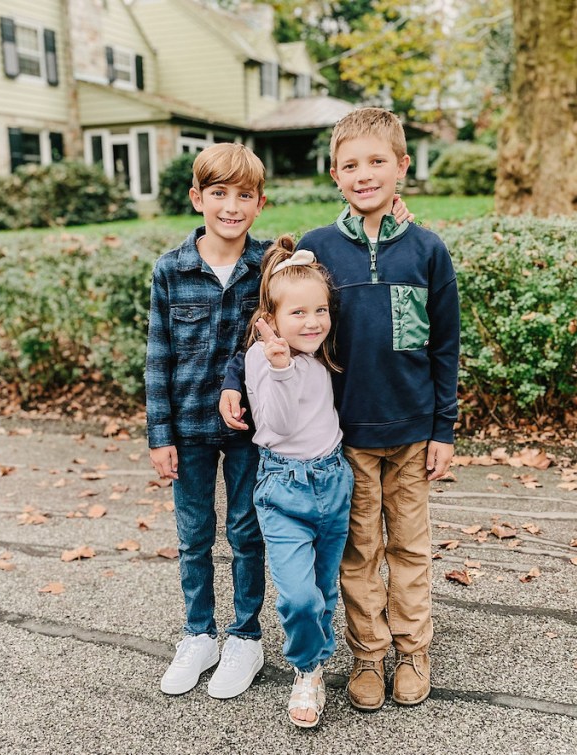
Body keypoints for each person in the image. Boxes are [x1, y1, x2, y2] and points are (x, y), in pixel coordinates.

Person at [220, 107, 461, 711]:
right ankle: (367, 656)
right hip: (344, 438)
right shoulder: (318, 248)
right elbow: (269, 317)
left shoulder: (427, 250)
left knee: (409, 548)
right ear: (334, 174)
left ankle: (413, 652)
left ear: (402, 167)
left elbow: (445, 346)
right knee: (359, 554)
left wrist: (444, 427)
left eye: (378, 161)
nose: (365, 174)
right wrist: (234, 377)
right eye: (351, 164)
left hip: (410, 432)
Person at [146, 142, 269, 699]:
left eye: (244, 195)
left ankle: (245, 636)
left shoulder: (267, 266)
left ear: (259, 203)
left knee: (246, 532)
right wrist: (159, 434)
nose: (231, 206)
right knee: (194, 536)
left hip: (250, 428)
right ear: (198, 198)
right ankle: (199, 634)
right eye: (218, 193)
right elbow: (158, 357)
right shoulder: (171, 270)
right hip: (188, 428)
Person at [243, 235, 353, 728]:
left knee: (324, 588)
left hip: (333, 482)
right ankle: (306, 665)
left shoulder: (322, 353)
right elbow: (277, 427)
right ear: (270, 316)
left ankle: (313, 669)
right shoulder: (261, 360)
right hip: (283, 489)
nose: (312, 322)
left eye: (320, 311)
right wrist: (281, 368)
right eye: (298, 314)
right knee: (298, 596)